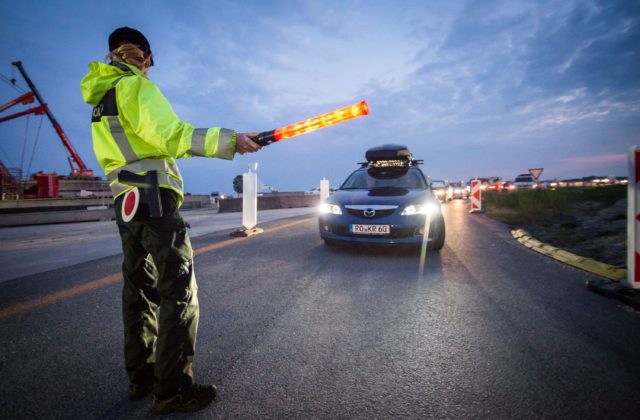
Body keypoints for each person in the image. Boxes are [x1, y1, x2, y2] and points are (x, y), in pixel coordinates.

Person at [80, 26, 261, 415]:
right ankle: (173, 389)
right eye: (149, 62)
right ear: (144, 58)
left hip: (125, 203)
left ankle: (142, 378)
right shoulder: (136, 87)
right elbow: (171, 135)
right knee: (179, 294)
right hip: (154, 202)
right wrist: (230, 141)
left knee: (138, 292)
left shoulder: (101, 99)